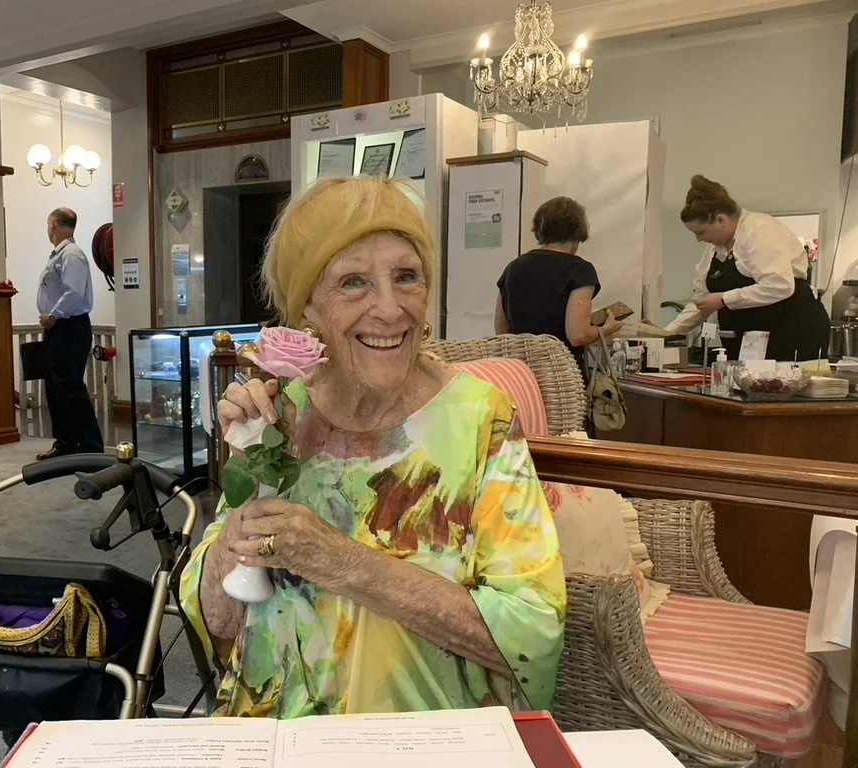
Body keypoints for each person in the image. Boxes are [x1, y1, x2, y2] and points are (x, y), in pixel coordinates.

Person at [180, 177, 566, 718]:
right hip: (271, 741)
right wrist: (243, 498)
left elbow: (533, 634)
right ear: (308, 307)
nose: (389, 309)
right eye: (354, 282)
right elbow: (217, 621)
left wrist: (341, 562)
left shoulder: (480, 421)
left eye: (406, 277)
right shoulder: (279, 415)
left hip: (422, 743)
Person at [666, 175, 829, 360]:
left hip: (791, 333)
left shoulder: (760, 230)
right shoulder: (714, 248)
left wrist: (724, 299)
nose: (699, 239)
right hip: (747, 343)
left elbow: (780, 286)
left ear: (721, 220)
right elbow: (702, 302)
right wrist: (665, 334)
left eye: (701, 232)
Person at [495, 197, 621, 374]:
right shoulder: (580, 270)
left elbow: (502, 332)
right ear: (578, 232)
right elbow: (578, 335)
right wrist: (606, 329)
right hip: (562, 376)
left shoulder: (513, 267)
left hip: (521, 373)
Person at [35, 208, 104, 460]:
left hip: (69, 326)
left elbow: (73, 292)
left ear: (53, 224)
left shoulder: (71, 255)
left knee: (70, 387)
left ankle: (90, 445)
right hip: (60, 326)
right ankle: (65, 441)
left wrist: (53, 314)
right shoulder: (60, 254)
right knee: (56, 387)